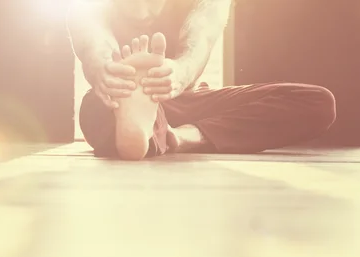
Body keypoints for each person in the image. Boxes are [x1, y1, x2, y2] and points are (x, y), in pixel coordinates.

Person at [67, 0, 337, 160]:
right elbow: (92, 33)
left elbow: (201, 35)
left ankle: (175, 136)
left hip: (189, 99)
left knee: (317, 102)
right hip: (123, 99)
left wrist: (178, 73)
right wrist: (108, 69)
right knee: (97, 106)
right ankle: (149, 125)